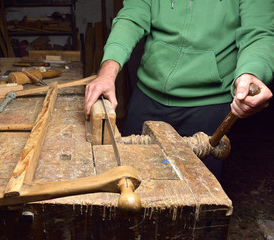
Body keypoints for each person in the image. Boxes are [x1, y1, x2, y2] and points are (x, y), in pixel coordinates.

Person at [84, 0, 274, 178]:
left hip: (208, 106)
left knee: (199, 200)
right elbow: (132, 15)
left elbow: (259, 33)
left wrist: (252, 72)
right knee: (127, 184)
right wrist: (107, 71)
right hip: (147, 97)